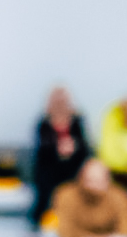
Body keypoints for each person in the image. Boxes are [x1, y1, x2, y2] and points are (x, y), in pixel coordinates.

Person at [31, 87, 91, 226]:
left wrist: (73, 147)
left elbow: (85, 147)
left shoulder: (78, 121)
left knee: (80, 179)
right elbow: (41, 150)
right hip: (50, 166)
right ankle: (41, 219)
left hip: (73, 166)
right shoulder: (43, 123)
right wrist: (57, 149)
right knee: (45, 183)